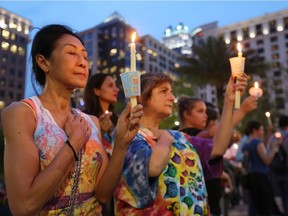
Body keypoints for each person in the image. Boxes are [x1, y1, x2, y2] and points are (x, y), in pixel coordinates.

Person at [1, 24, 143, 215]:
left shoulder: (91, 122)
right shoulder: (23, 113)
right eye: (71, 53)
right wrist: (73, 145)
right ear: (44, 62)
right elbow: (24, 206)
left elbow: (102, 194)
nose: (83, 62)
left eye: (85, 56)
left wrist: (120, 145)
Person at [114, 72, 247, 215]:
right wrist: (165, 137)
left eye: (171, 92)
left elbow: (218, 148)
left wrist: (229, 102)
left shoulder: (180, 137)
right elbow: (152, 167)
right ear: (141, 96)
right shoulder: (128, 135)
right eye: (164, 91)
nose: (172, 97)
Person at [242, 120, 281, 216]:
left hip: (251, 176)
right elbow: (266, 160)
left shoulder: (248, 142)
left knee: (254, 204)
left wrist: (269, 132)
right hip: (261, 177)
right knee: (264, 205)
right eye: (261, 130)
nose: (262, 132)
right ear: (255, 130)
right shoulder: (258, 143)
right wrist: (274, 150)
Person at [84, 73, 119, 156]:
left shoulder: (116, 119)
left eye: (115, 85)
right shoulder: (85, 118)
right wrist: (99, 132)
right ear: (97, 91)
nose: (117, 89)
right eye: (110, 86)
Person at [268, 115, 288, 215]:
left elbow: (268, 151)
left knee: (277, 195)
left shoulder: (273, 137)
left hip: (275, 169)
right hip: (286, 169)